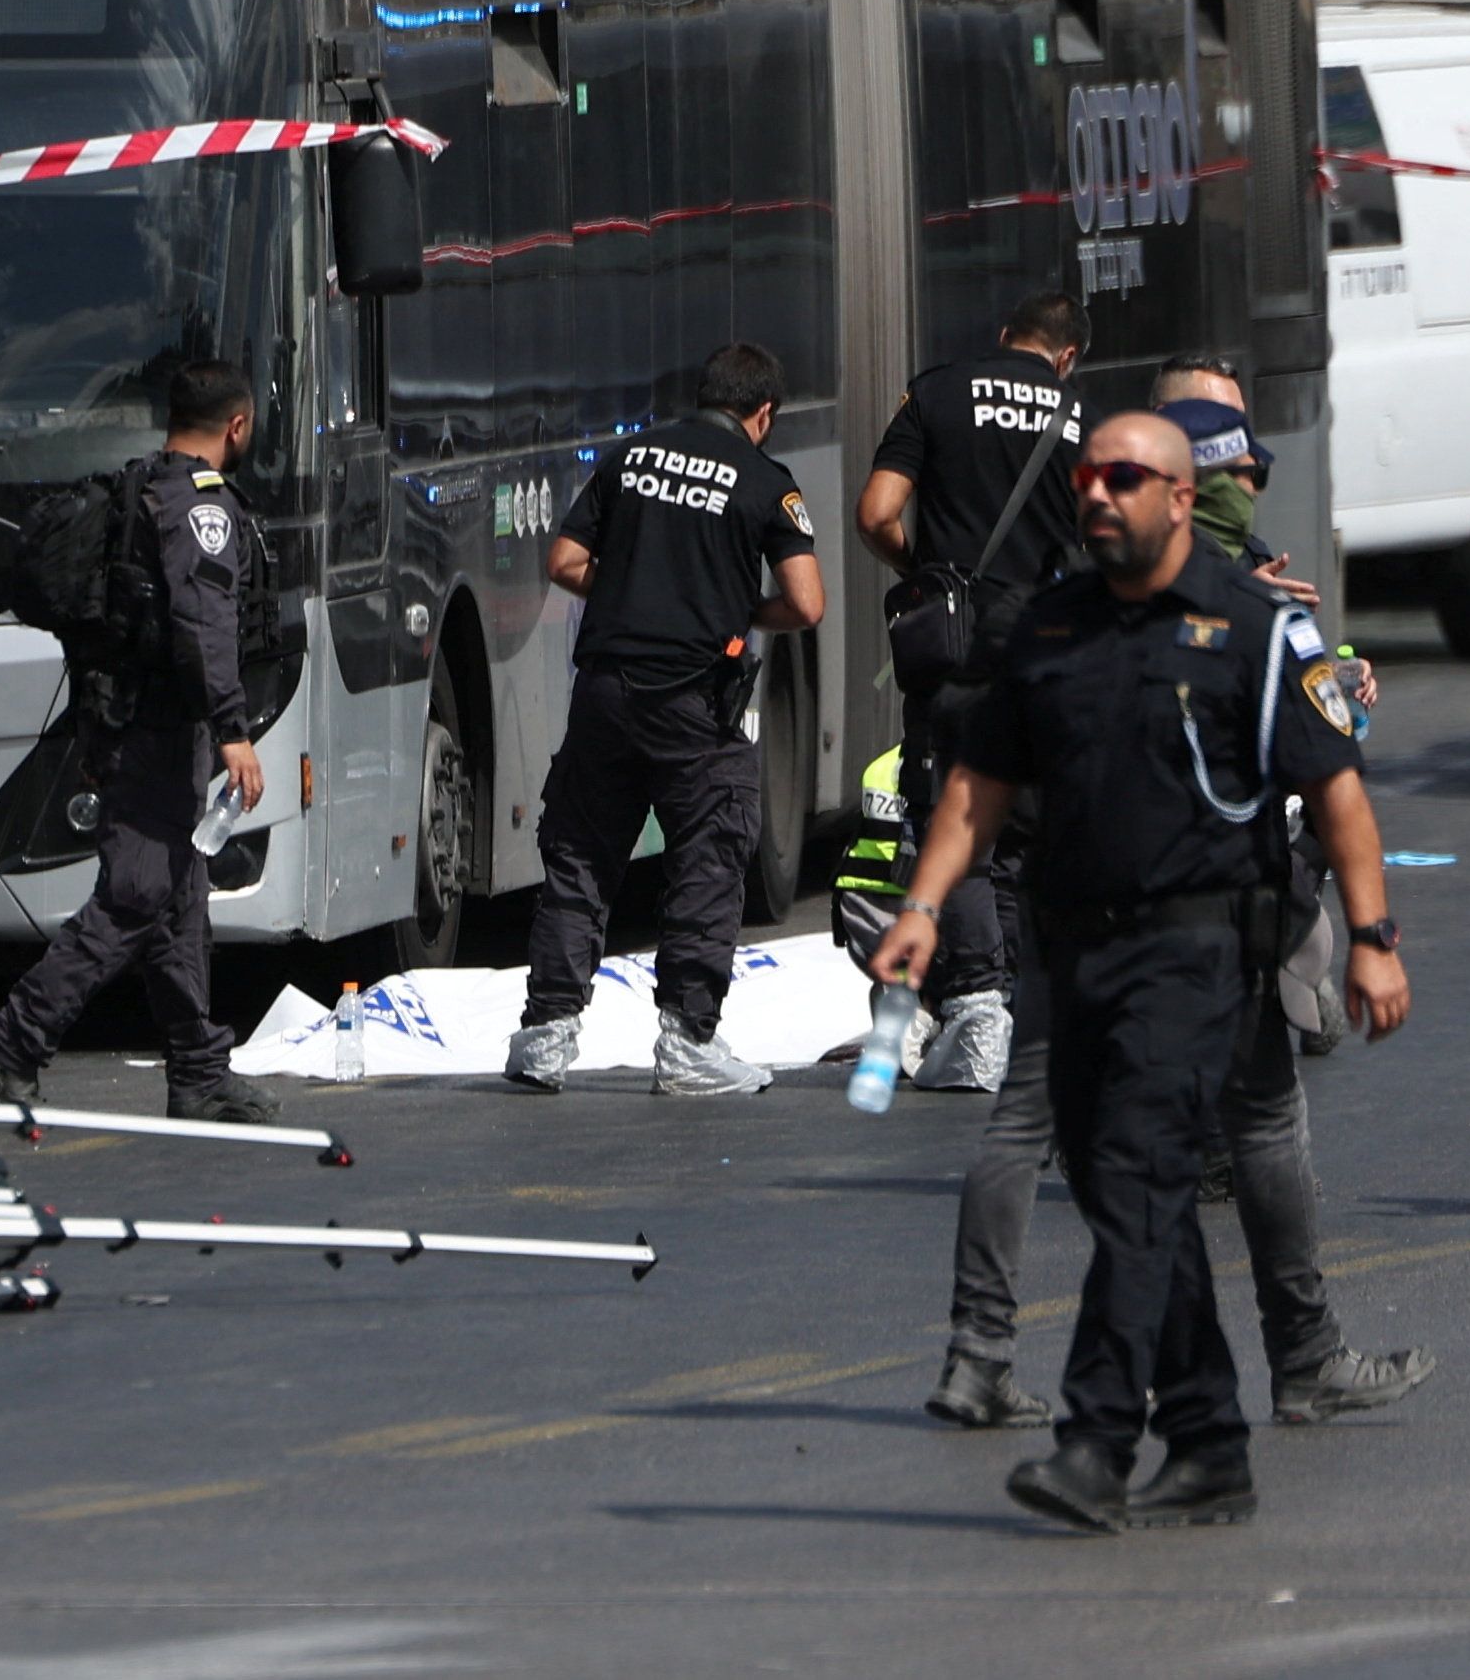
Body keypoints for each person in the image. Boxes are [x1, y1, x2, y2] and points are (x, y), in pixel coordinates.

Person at [873, 412, 1412, 1532]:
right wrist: (921, 907)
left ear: (1178, 497)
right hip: (1074, 953)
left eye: (1123, 478)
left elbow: (1338, 794)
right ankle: (1209, 1444)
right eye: (1087, 478)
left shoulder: (1255, 625)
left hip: (1198, 953)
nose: (1097, 494)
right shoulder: (1050, 625)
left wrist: (1371, 938)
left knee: (1140, 1183)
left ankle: (1096, 1440)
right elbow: (978, 786)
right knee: (1129, 1198)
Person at [0, 361, 282, 1125]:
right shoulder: (199, 508)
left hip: (123, 720)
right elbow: (204, 624)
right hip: (156, 734)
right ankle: (12, 1041)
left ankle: (198, 1071)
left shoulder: (141, 485)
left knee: (179, 899)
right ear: (236, 426)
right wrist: (233, 730)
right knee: (136, 894)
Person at [507, 342, 825, 1097]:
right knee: (710, 855)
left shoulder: (630, 457)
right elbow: (807, 603)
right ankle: (687, 1042)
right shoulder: (765, 480)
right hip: (693, 700)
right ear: (763, 413)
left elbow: (563, 561)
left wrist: (636, 590)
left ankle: (545, 1036)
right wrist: (736, 609)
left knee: (581, 854)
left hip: (606, 690)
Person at [851, 296, 1090, 1086]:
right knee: (1022, 830)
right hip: (1053, 644)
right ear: (1066, 356)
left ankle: (978, 1008)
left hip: (955, 646)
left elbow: (877, 512)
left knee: (953, 817)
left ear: (1003, 335)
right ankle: (1006, 1006)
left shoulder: (938, 391)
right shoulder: (1082, 417)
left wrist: (923, 569)